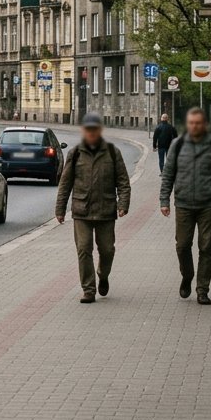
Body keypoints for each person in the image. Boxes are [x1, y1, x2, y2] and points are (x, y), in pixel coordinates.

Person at [159, 106, 211, 305]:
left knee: (206, 247)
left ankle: (202, 290)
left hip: (207, 204)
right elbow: (168, 174)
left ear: (204, 124)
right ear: (187, 125)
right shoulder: (177, 145)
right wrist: (164, 200)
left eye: (198, 123)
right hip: (183, 204)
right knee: (182, 245)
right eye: (191, 123)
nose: (194, 126)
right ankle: (187, 275)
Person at [55, 113, 131, 303]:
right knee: (83, 249)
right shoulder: (76, 153)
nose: (91, 133)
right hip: (81, 209)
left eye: (94, 130)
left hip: (106, 210)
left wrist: (123, 204)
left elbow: (123, 181)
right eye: (88, 130)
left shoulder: (113, 152)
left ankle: (103, 274)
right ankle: (88, 289)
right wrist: (60, 209)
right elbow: (65, 183)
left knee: (107, 250)